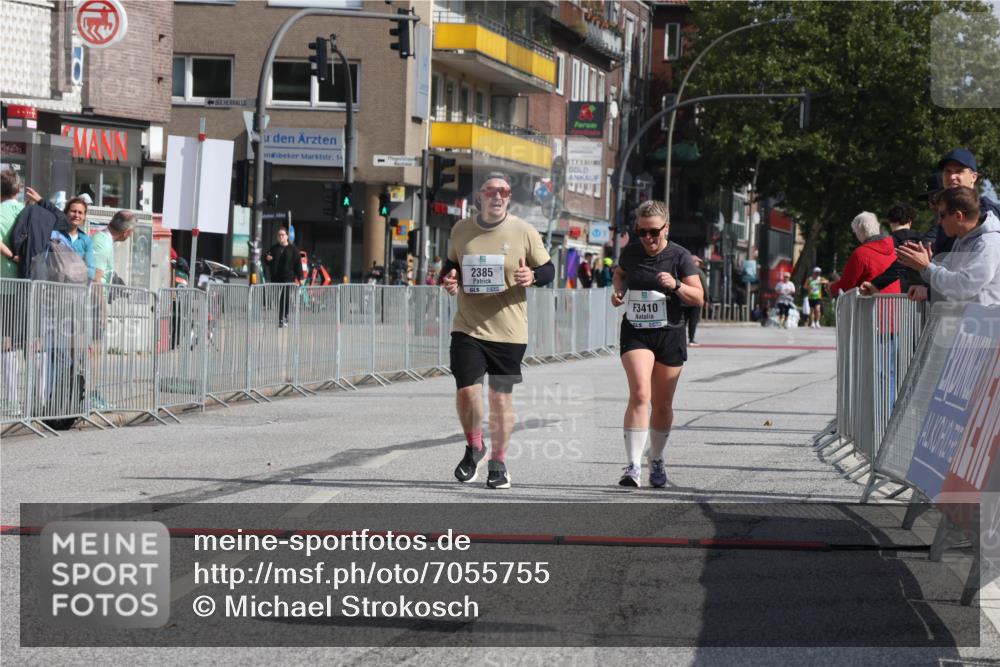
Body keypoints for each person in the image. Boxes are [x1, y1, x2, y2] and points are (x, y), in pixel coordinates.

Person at [440, 172, 555, 489]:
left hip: (509, 332)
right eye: (490, 191)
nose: (497, 196)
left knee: (500, 400)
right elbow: (450, 266)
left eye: (503, 191)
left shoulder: (523, 230)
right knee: (467, 392)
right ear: (479, 196)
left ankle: (499, 462)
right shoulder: (461, 230)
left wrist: (532, 276)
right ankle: (475, 446)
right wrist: (449, 279)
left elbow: (548, 269)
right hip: (468, 327)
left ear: (509, 198)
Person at [610, 199, 704, 487]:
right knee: (640, 393)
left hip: (670, 333)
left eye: (654, 232)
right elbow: (619, 273)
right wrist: (618, 292)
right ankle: (632, 466)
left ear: (666, 228)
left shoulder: (680, 256)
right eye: (642, 232)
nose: (648, 238)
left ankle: (657, 457)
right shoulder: (631, 252)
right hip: (636, 332)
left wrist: (676, 285)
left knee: (662, 405)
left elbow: (698, 297)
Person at [895, 186, 1000, 306]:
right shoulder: (962, 240)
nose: (939, 222)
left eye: (942, 215)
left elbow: (964, 286)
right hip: (969, 316)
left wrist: (926, 266)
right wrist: (926, 262)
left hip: (983, 317)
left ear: (958, 216)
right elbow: (948, 276)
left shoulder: (989, 244)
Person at [923, 148, 1000, 256]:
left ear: (973, 177)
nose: (952, 177)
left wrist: (926, 264)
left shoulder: (988, 213)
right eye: (948, 171)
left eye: (959, 171)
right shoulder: (945, 213)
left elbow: (984, 261)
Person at [827, 212, 900, 297]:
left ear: (860, 231)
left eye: (855, 232)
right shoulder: (895, 249)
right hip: (896, 303)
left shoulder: (861, 253)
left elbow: (846, 286)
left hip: (872, 303)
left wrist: (831, 287)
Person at [861, 202, 925, 296]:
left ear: (890, 222)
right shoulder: (923, 239)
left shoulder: (885, 243)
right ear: (910, 221)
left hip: (894, 295)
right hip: (921, 294)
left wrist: (875, 284)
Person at [265, 227, 300, 327]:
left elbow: (298, 264)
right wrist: (267, 258)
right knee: (277, 299)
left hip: (288, 278)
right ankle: (281, 318)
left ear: (287, 236)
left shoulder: (293, 249)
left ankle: (284, 318)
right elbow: (267, 260)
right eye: (279, 235)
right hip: (276, 278)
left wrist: (300, 277)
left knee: (285, 299)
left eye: (282, 235)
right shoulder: (274, 248)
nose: (280, 237)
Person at [91, 210, 136, 285]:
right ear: (127, 232)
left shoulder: (104, 239)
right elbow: (95, 280)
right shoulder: (102, 243)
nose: (131, 235)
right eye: (132, 232)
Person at [61, 197, 96, 279]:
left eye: (80, 213)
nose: (76, 215)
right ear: (66, 213)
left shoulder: (86, 241)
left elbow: (91, 271)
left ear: (84, 217)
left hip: (76, 284)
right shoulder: (55, 236)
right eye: (73, 211)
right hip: (55, 284)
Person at [0, 170, 24, 280]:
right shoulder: (27, 211)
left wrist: (13, 256)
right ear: (18, 189)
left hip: (3, 276)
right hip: (24, 278)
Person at [686, 256, 708, 345]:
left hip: (683, 299)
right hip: (695, 300)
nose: (699, 264)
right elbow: (704, 286)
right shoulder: (698, 272)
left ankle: (679, 339)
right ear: (694, 262)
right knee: (693, 321)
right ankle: (691, 339)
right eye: (698, 262)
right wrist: (706, 299)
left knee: (682, 321)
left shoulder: (682, 270)